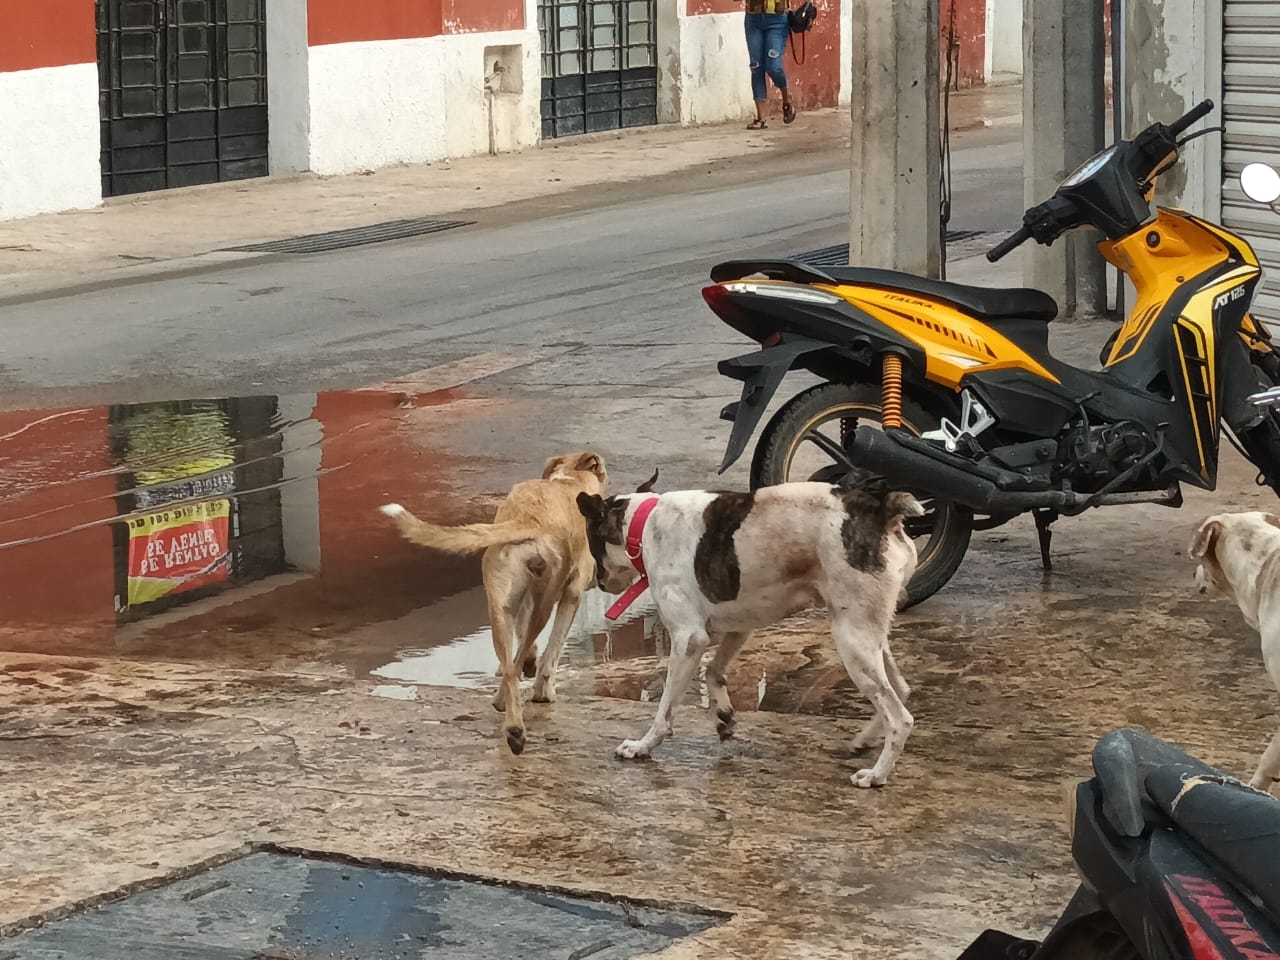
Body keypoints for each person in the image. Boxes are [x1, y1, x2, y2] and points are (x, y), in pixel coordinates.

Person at [744, 0, 796, 129]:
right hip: (753, 18)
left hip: (777, 19)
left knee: (773, 66)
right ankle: (761, 118)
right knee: (756, 67)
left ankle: (786, 96)